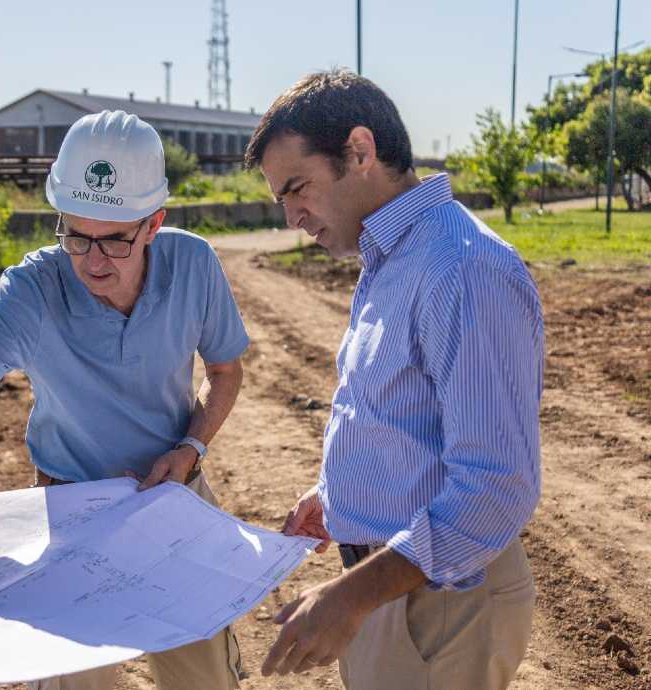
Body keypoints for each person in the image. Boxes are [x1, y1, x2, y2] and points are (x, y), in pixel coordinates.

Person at [0, 109, 249, 690]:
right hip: (70, 514)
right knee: (71, 679)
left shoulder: (193, 266)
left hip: (173, 500)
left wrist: (191, 447)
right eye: (77, 236)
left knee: (203, 677)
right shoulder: (32, 290)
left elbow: (226, 371)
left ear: (153, 224)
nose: (93, 261)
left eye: (115, 240)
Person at [244, 69, 543, 689]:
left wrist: (351, 596)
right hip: (404, 591)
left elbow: (495, 487)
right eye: (281, 200)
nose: (293, 216)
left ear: (360, 151)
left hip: (442, 602)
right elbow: (400, 415)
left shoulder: (461, 268)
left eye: (297, 188)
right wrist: (343, 495)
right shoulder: (393, 255)